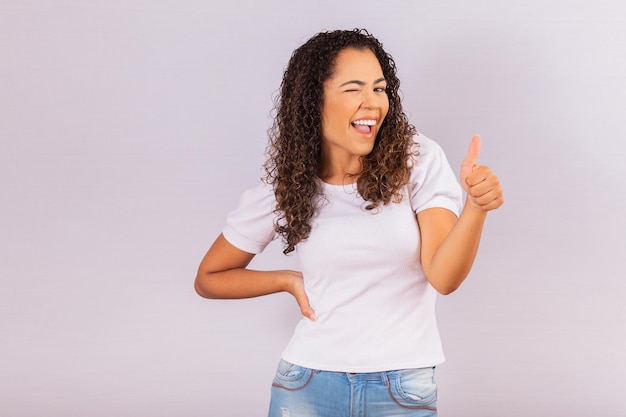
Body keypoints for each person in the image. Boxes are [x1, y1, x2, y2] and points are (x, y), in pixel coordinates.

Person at [195, 28, 503, 416]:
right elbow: (209, 277)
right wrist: (286, 280)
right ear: (314, 101)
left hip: (400, 389)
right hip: (305, 385)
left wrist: (475, 208)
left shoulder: (417, 159)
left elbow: (443, 277)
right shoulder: (289, 187)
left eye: (379, 88)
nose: (372, 103)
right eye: (354, 88)